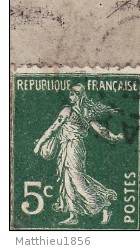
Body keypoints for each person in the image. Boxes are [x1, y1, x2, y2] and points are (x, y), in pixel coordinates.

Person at [33, 84, 125, 225]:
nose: (71, 97)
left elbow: (53, 128)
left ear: (80, 96)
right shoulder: (77, 111)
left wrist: (39, 144)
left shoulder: (73, 111)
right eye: (70, 94)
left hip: (74, 147)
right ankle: (73, 215)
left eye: (74, 94)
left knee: (77, 179)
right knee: (67, 179)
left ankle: (103, 206)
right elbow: (99, 129)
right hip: (66, 147)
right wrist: (114, 137)